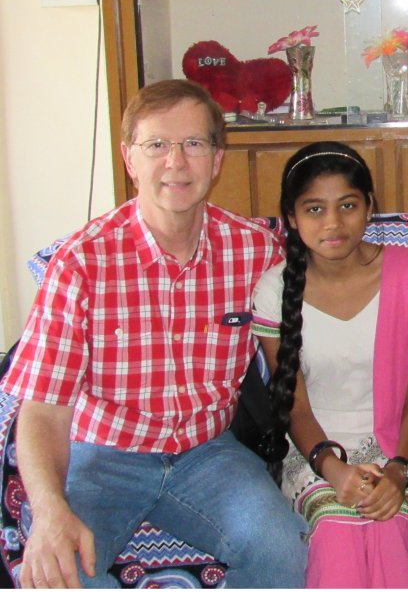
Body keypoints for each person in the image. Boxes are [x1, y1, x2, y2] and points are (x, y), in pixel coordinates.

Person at [0, 79, 307, 588]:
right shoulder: (81, 263)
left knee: (281, 547)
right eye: (157, 145)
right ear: (129, 159)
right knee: (63, 574)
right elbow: (43, 410)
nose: (176, 162)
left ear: (217, 158)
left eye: (194, 144)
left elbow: (332, 289)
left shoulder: (257, 252)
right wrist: (50, 511)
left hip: (209, 452)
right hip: (104, 457)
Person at [251, 141, 408, 588]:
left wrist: (399, 471)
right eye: (315, 209)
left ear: (369, 207)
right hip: (314, 449)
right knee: (337, 530)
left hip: (400, 445)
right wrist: (333, 469)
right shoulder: (273, 291)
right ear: (292, 216)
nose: (333, 223)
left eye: (347, 205)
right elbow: (295, 408)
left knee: (390, 524)